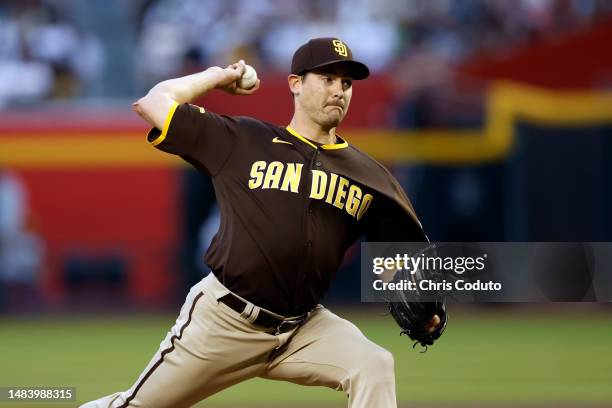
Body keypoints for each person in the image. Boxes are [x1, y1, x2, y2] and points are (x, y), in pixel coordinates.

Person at [82, 37, 439, 408]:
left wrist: (426, 305)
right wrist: (218, 76)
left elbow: (406, 253)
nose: (339, 90)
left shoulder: (371, 176)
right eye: (327, 78)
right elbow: (153, 103)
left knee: (374, 365)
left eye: (346, 83)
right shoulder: (244, 141)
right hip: (225, 321)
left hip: (304, 327)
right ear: (295, 84)